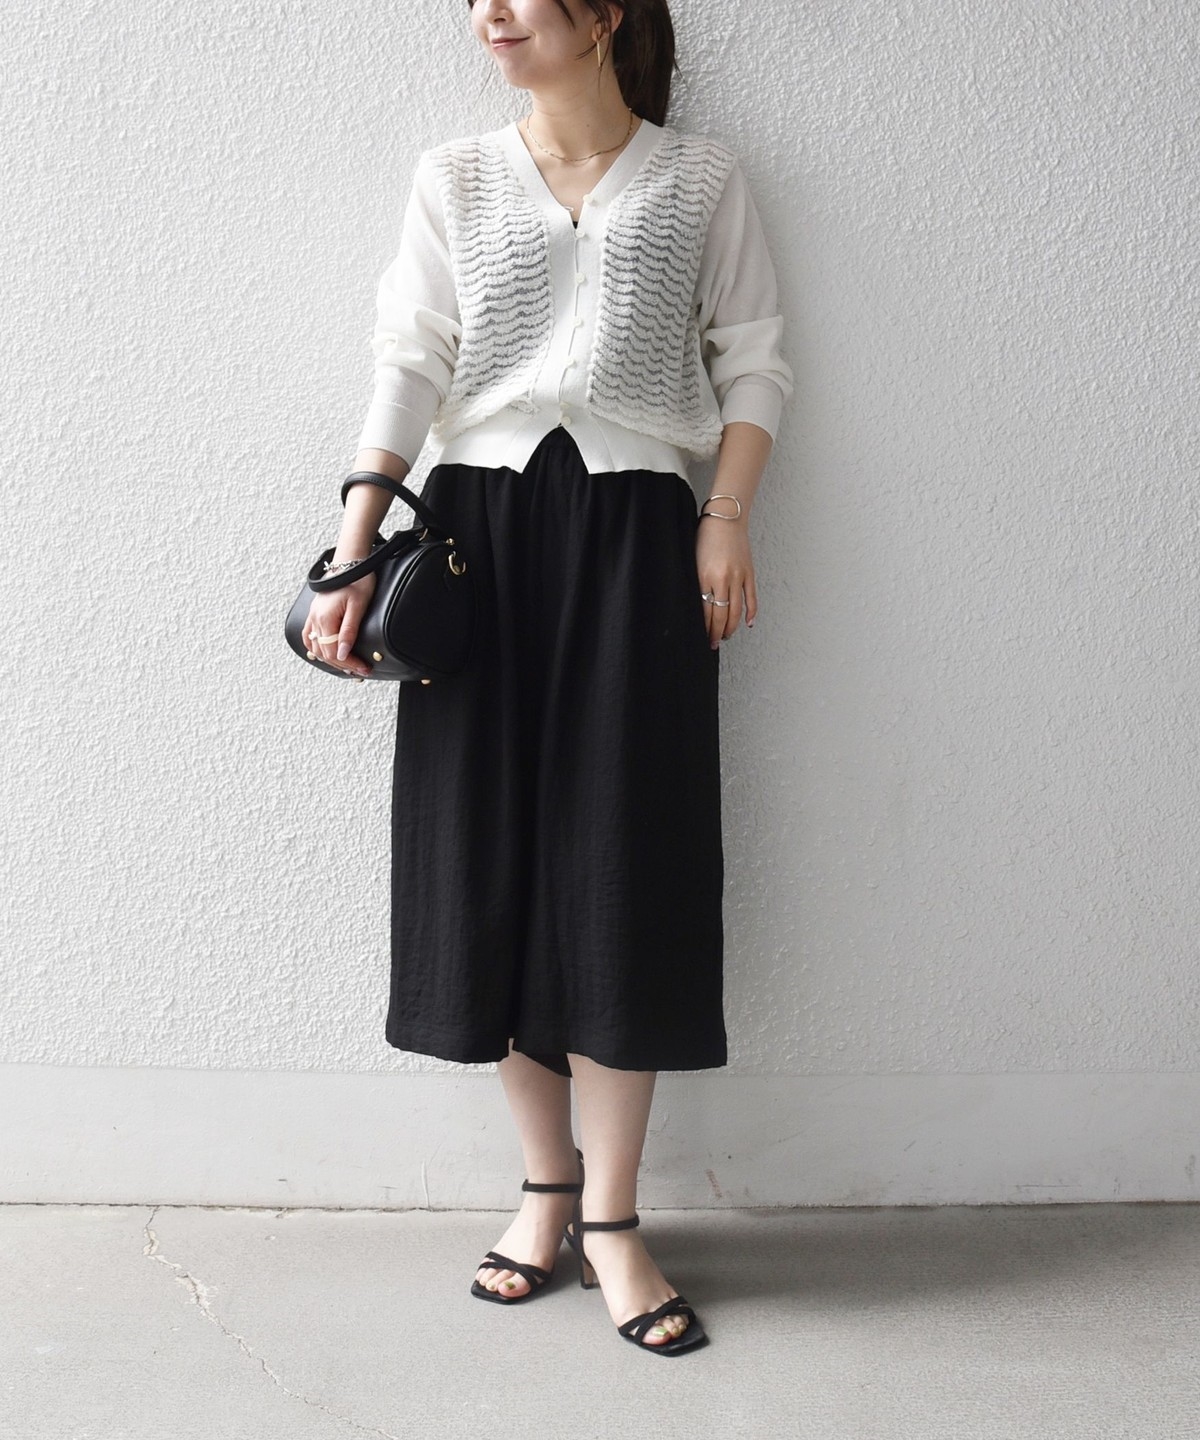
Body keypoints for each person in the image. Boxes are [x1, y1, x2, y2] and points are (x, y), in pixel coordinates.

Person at [302, 0, 792, 1356]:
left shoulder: (700, 178)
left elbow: (755, 359)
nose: (490, 15)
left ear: (604, 13)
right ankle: (544, 1194)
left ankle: (618, 1223)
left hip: (639, 534)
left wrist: (724, 518)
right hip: (475, 542)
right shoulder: (455, 176)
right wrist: (353, 551)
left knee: (623, 861)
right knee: (493, 859)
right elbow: (412, 355)